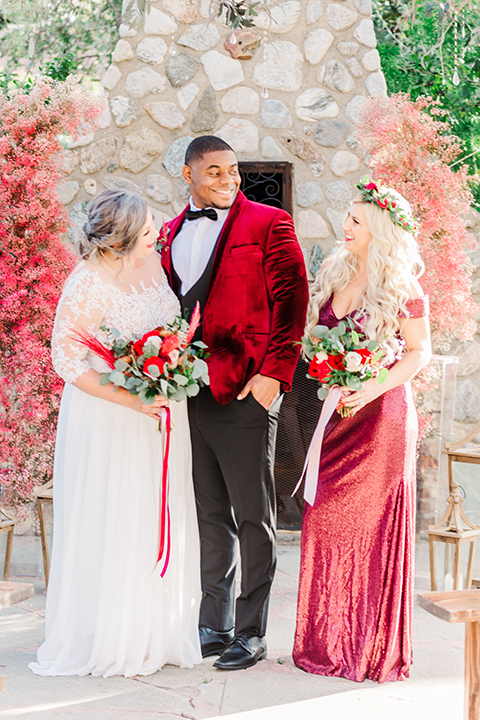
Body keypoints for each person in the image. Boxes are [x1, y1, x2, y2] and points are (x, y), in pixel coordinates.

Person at [29, 189, 202, 678]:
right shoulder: (87, 283)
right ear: (120, 241)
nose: (158, 233)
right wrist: (134, 399)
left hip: (161, 413)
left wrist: (170, 375)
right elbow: (67, 360)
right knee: (118, 515)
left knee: (155, 514)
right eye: (148, 230)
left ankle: (155, 629)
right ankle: (112, 636)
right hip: (109, 418)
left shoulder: (152, 267)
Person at [161, 136, 309, 670]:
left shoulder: (268, 223)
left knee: (254, 516)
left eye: (234, 171)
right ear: (188, 175)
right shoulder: (170, 232)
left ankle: (251, 631)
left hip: (248, 388)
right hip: (191, 392)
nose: (229, 181)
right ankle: (213, 623)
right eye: (216, 172)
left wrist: (276, 373)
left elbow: (293, 298)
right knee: (209, 514)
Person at [293, 180, 431, 683]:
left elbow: (419, 352)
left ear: (378, 228)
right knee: (324, 517)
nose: (345, 227)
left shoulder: (405, 287)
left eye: (355, 220)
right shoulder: (336, 269)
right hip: (337, 413)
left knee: (369, 526)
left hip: (382, 417)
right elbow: (316, 336)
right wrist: (326, 363)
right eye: (347, 218)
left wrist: (372, 387)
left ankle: (370, 648)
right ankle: (325, 640)